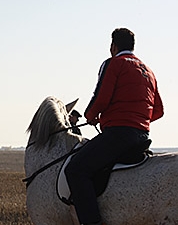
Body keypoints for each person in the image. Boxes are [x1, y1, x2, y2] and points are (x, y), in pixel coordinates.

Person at [64, 28, 164, 225]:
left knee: (75, 170)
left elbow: (101, 98)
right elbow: (159, 110)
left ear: (113, 46)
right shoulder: (148, 70)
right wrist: (138, 120)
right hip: (142, 136)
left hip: (118, 135)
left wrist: (91, 116)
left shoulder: (114, 63)